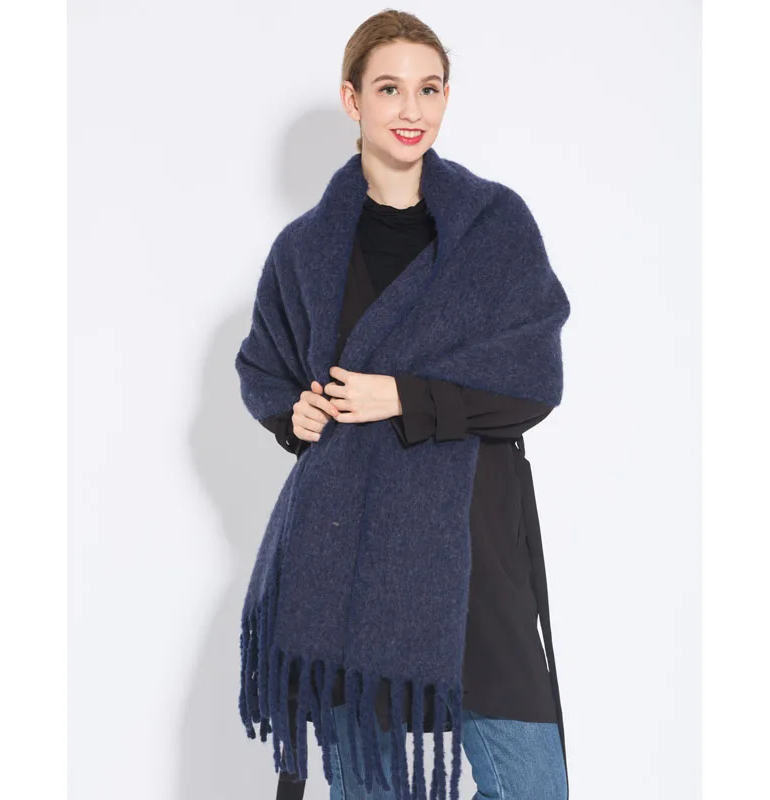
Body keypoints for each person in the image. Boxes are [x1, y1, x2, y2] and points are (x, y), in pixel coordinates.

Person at [237, 11, 570, 800]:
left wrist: (402, 396)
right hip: (351, 555)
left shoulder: (493, 227)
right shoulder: (305, 248)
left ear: (447, 97)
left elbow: (534, 383)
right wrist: (294, 415)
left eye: (430, 89)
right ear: (353, 100)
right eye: (390, 89)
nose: (412, 110)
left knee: (533, 785)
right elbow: (265, 367)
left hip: (473, 550)